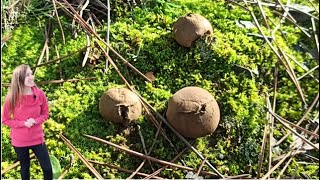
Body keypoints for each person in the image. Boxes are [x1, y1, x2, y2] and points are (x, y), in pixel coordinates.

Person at [2, 64, 53, 180]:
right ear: (19, 80)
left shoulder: (40, 94)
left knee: (47, 169)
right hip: (19, 142)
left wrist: (35, 121)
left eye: (31, 73)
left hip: (37, 139)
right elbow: (5, 119)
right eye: (27, 75)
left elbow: (45, 114)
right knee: (25, 167)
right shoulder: (12, 97)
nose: (32, 77)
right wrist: (23, 123)